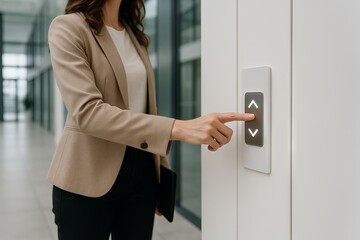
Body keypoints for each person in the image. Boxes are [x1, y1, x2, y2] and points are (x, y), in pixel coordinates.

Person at [47, 0, 255, 239]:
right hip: (87, 176)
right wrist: (178, 128)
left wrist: (159, 175)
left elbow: (146, 108)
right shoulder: (68, 28)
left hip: (142, 173)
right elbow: (87, 112)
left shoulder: (135, 35)